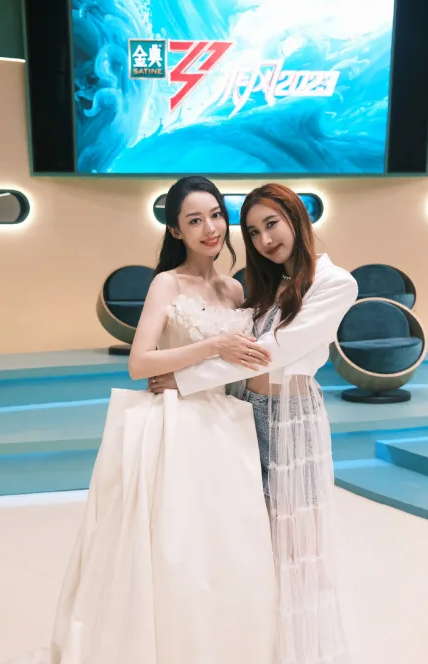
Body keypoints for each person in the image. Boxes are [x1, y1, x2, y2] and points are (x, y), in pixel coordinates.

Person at [5, 177, 277, 664]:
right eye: (195, 220)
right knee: (176, 544)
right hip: (177, 426)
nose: (210, 228)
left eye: (216, 215)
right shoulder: (167, 283)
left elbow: (238, 363)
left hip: (227, 425)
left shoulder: (235, 288)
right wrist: (212, 346)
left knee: (226, 546)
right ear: (175, 231)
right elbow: (139, 362)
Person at [150, 183, 359, 664]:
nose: (265, 240)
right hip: (243, 412)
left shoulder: (336, 282)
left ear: (297, 218)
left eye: (272, 224)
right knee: (253, 544)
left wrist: (185, 379)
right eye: (253, 232)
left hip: (290, 419)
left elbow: (273, 352)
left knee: (298, 547)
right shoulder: (270, 285)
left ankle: (301, 652)